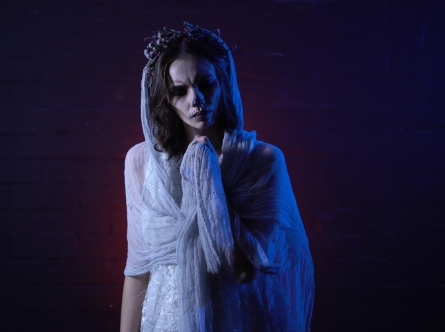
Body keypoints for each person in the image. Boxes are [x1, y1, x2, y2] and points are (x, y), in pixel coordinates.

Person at [120, 22, 314, 332]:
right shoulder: (143, 162)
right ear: (165, 98)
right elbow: (138, 269)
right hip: (169, 318)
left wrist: (206, 175)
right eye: (179, 91)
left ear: (222, 83)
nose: (195, 99)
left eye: (206, 84)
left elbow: (242, 270)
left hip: (242, 317)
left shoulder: (263, 160)